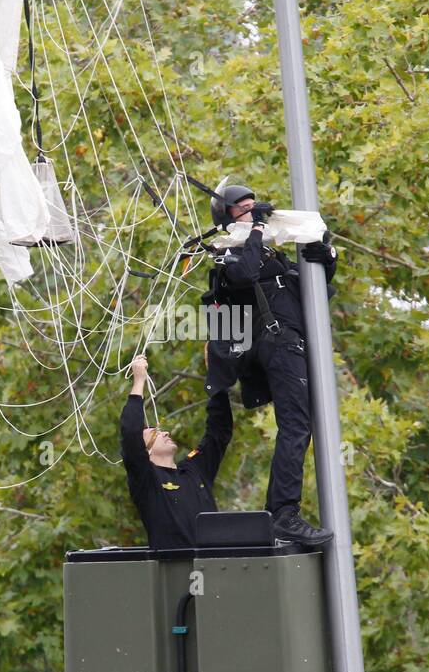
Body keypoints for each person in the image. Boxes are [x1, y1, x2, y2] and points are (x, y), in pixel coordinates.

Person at [203, 181, 337, 547]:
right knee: (295, 426)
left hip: (295, 344)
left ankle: (282, 512)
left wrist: (328, 260)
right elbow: (243, 274)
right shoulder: (227, 254)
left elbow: (317, 292)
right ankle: (283, 514)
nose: (252, 212)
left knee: (302, 425)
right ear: (228, 217)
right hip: (277, 345)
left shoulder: (270, 257)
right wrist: (258, 228)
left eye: (254, 206)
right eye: (243, 209)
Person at [119, 355, 233, 549]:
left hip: (217, 566)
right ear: (145, 452)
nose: (165, 432)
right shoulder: (147, 479)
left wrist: (216, 377)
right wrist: (139, 380)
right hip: (173, 572)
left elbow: (219, 431)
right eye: (155, 433)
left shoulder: (194, 470)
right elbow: (130, 433)